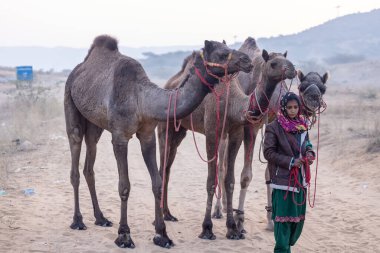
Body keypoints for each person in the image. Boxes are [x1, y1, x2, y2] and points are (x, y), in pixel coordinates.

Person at [264, 92, 315, 253]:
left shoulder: (303, 125)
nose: (293, 110)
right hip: (283, 182)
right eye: (289, 107)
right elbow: (269, 153)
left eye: (295, 107)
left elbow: (307, 144)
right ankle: (282, 250)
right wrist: (291, 162)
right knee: (282, 222)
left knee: (297, 222)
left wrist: (309, 152)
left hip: (300, 180)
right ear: (284, 108)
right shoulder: (274, 127)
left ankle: (286, 247)